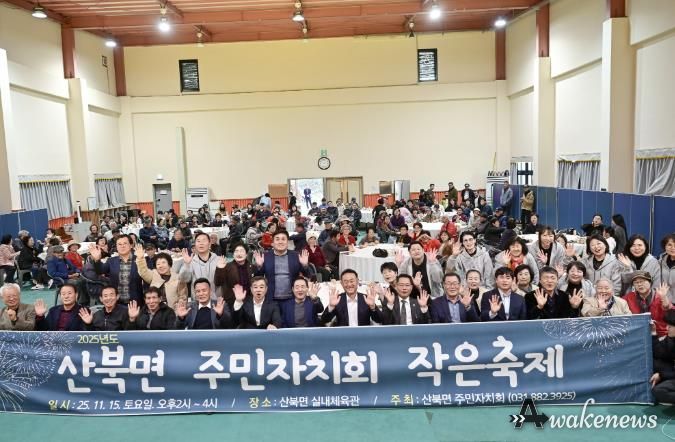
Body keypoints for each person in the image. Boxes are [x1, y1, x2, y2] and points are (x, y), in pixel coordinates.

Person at [253, 230, 310, 305]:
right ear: (272, 243)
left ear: (288, 242)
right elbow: (257, 278)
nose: (280, 242)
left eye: (283, 239)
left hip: (292, 298)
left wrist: (305, 265)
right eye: (277, 239)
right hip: (271, 298)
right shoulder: (265, 256)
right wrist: (259, 266)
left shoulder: (296, 256)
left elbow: (308, 275)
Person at [89, 235, 144, 305]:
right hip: (117, 303)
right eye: (119, 244)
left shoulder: (139, 260)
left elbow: (147, 278)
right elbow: (100, 271)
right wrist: (97, 260)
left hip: (135, 303)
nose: (122, 246)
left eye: (125, 243)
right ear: (116, 247)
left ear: (131, 245)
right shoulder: (111, 261)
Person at [134, 244, 189, 309]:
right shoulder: (154, 275)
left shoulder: (177, 278)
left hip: (172, 311)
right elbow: (143, 271)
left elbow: (183, 297)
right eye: (158, 264)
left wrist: (178, 309)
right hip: (155, 311)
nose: (161, 266)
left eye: (163, 263)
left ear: (169, 264)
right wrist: (140, 259)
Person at [182, 232, 220, 300]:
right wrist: (186, 265)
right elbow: (185, 279)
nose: (201, 243)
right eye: (198, 241)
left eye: (204, 240)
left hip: (215, 299)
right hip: (198, 298)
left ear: (209, 244)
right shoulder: (191, 261)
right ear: (195, 245)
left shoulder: (218, 260)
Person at [650, 310, 675, 404]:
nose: (667, 328)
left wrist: (661, 375)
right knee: (658, 391)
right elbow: (658, 352)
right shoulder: (670, 339)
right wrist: (654, 332)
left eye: (670, 326)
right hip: (671, 375)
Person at [659, 234, 675, 304]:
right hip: (663, 301)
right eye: (669, 245)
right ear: (665, 246)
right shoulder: (660, 262)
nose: (673, 248)